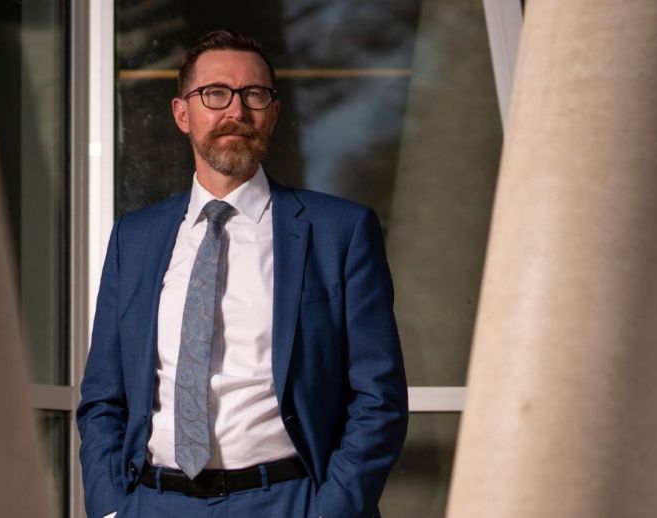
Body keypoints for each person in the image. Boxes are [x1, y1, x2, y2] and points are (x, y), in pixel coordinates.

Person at [77, 29, 408, 518]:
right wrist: (110, 507)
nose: (236, 111)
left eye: (254, 95)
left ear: (272, 113)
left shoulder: (339, 231)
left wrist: (331, 509)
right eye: (215, 94)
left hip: (288, 501)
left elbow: (378, 398)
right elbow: (104, 396)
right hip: (153, 502)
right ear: (182, 114)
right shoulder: (136, 238)